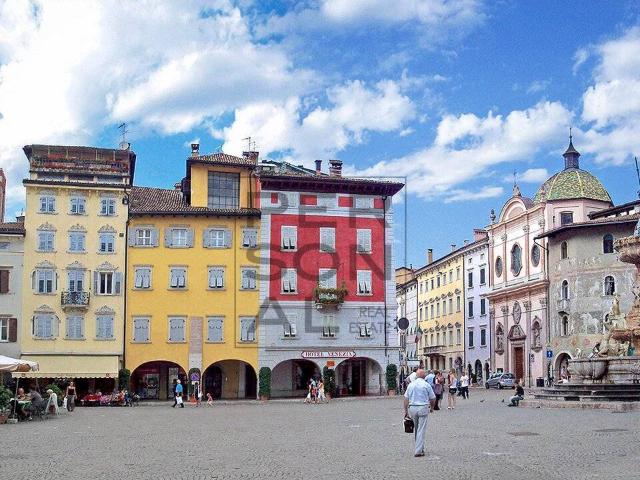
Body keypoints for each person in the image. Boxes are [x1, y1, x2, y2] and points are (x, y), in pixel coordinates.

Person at [403, 369, 436, 457]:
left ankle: (420, 448)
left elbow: (406, 399)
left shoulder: (411, 385)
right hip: (423, 407)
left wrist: (406, 411)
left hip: (413, 408)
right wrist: (432, 407)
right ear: (424, 376)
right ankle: (418, 450)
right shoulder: (426, 385)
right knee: (421, 429)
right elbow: (433, 398)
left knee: (417, 429)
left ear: (417, 376)